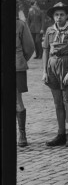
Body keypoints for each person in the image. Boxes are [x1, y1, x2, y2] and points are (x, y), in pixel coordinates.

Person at [42, 2, 68, 147]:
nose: (59, 18)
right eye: (56, 15)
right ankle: (60, 133)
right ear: (53, 17)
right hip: (52, 65)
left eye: (61, 15)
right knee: (57, 102)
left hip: (67, 63)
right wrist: (44, 71)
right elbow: (46, 50)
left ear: (67, 16)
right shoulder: (49, 31)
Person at [16, 11, 35, 147]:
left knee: (17, 100)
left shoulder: (20, 24)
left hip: (16, 67)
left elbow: (29, 48)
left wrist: (20, 60)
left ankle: (22, 133)